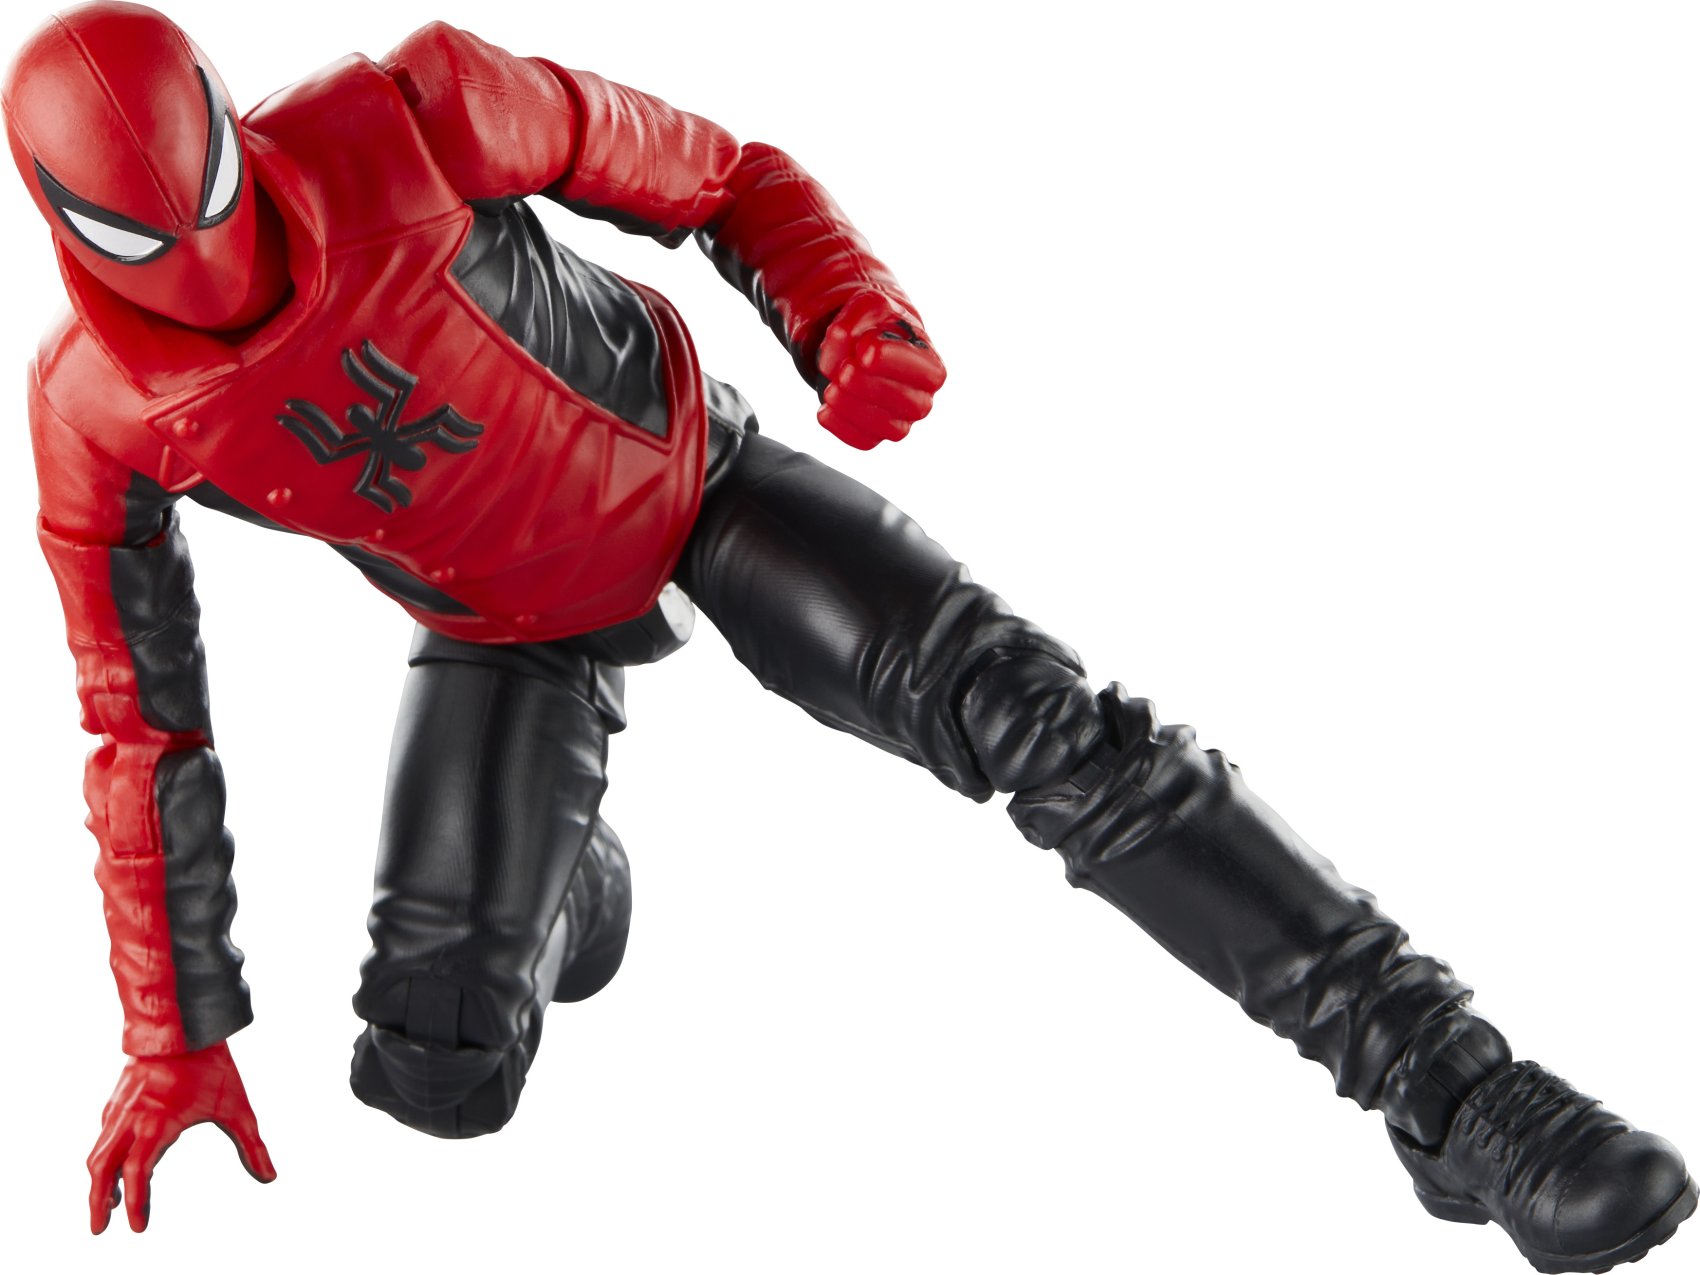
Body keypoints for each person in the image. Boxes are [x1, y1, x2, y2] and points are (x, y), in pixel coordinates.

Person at [3, 4, 1693, 1269]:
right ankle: (567, 879)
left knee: (1053, 732)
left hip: (698, 484)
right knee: (434, 1077)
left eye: (215, 191)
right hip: (501, 626)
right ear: (69, 232)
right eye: (152, 238)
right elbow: (141, 730)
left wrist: (840, 306)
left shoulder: (419, 110)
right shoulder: (94, 418)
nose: (215, 259)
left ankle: (1455, 1089)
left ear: (233, 126)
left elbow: (720, 174)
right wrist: (175, 1034)